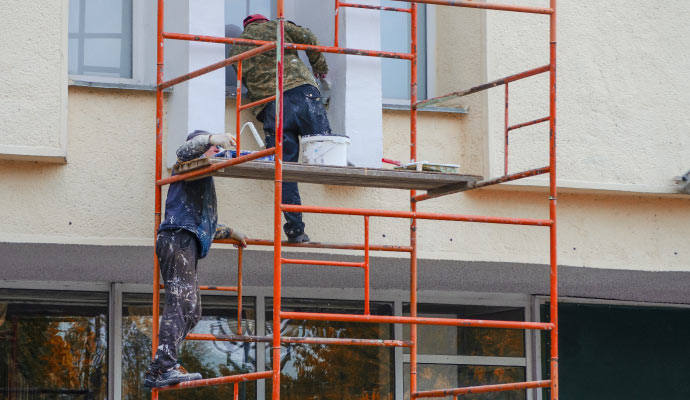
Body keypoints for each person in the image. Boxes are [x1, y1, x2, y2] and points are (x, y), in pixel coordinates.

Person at [144, 130, 248, 388]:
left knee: (191, 310)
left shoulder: (200, 179)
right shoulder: (187, 165)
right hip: (177, 238)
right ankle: (162, 368)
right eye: (214, 148)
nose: (218, 153)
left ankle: (165, 364)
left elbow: (203, 223)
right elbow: (184, 151)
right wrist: (213, 139)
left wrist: (231, 232)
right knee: (181, 304)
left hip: (183, 239)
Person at [231, 14, 333, 243]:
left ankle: (296, 230)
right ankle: (339, 162)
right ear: (263, 21)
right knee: (325, 148)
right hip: (302, 93)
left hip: (272, 107)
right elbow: (309, 38)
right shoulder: (278, 27)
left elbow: (244, 81)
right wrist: (319, 65)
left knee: (284, 171)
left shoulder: (236, 47)